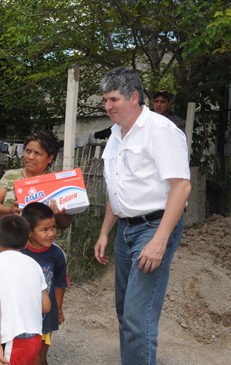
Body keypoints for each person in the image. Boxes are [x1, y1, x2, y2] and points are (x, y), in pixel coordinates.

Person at [94, 68, 191, 365]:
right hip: (125, 229)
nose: (108, 106)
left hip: (154, 228)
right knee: (125, 311)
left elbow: (182, 185)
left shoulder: (160, 131)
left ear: (133, 97)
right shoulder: (115, 135)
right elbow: (118, 189)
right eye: (106, 100)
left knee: (139, 316)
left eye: (114, 99)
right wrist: (105, 232)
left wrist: (160, 241)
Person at [0, 215, 51, 365]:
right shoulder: (34, 264)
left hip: (11, 339)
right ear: (27, 242)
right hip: (35, 338)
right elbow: (46, 306)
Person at [0, 131, 72, 229]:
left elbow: (66, 224)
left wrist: (58, 214)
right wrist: (10, 211)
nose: (31, 157)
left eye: (37, 153)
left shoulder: (57, 181)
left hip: (47, 243)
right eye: (28, 151)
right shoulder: (11, 176)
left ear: (50, 158)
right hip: (13, 241)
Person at [21, 203, 69, 365]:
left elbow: (60, 283)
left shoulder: (57, 254)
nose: (51, 234)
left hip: (46, 316)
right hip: (21, 315)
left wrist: (59, 309)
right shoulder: (18, 252)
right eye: (44, 229)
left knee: (39, 357)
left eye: (53, 227)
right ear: (28, 232)